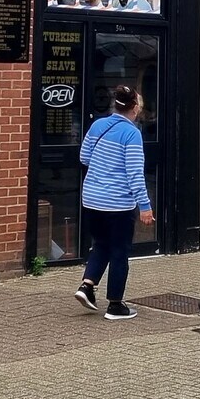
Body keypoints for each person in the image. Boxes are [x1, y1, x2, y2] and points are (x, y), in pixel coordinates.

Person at [74, 84, 154, 320]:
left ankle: (87, 286)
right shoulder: (132, 134)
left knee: (100, 244)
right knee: (119, 251)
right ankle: (115, 305)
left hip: (91, 199)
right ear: (135, 108)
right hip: (118, 204)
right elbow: (135, 173)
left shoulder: (98, 125)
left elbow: (84, 157)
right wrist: (145, 206)